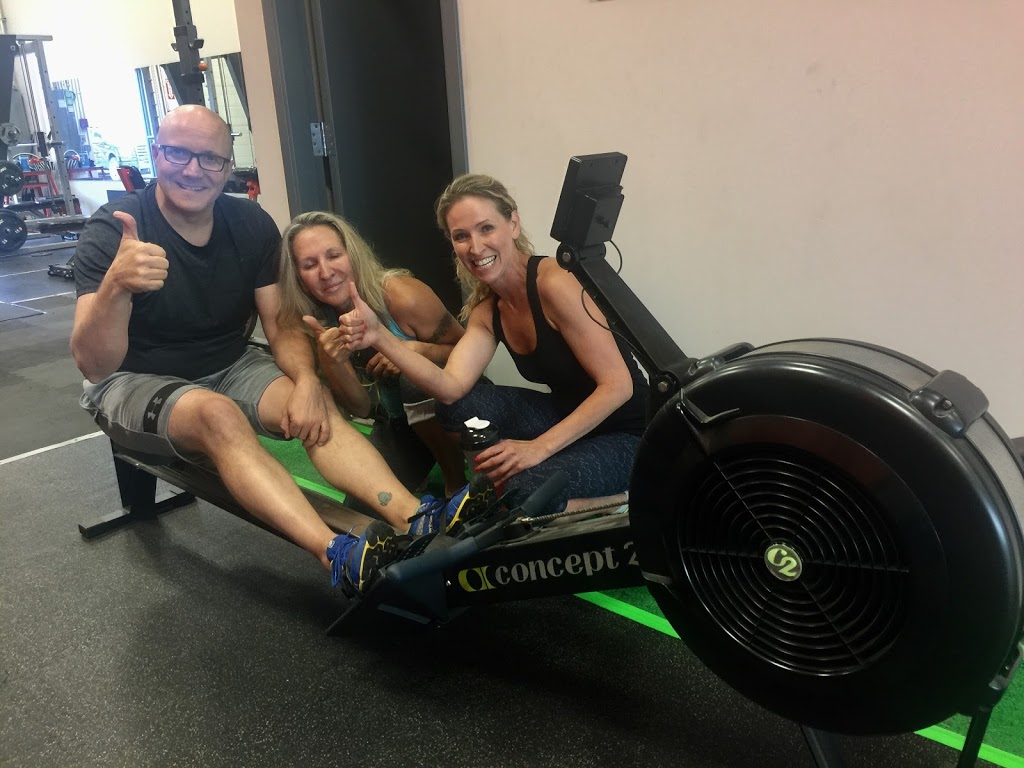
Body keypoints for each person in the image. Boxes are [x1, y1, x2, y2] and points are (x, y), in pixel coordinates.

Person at [70, 105, 488, 595]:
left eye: (210, 159)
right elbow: (94, 364)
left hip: (229, 364)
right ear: (156, 153)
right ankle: (335, 553)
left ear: (227, 166)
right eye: (178, 153)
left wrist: (308, 380)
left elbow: (280, 323)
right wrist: (115, 286)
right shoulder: (114, 230)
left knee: (311, 403)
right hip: (131, 377)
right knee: (217, 415)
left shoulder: (249, 223)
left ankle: (415, 516)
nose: (193, 170)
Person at [330, 173, 648, 514]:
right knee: (455, 408)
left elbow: (618, 386)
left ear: (513, 224)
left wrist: (538, 449)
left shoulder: (554, 283)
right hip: (567, 415)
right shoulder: (488, 310)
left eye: (486, 228)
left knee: (522, 491)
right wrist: (379, 336)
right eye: (461, 236)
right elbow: (450, 387)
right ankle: (544, 480)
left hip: (630, 434)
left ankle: (625, 497)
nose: (476, 247)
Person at [275, 210, 468, 496]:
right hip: (397, 424)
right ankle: (419, 466)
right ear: (299, 277)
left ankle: (457, 481)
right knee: (367, 503)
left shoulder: (402, 295)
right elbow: (360, 408)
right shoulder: (315, 322)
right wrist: (332, 361)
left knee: (411, 379)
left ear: (352, 255)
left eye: (333, 255)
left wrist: (412, 351)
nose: (325, 273)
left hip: (454, 406)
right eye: (309, 264)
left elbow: (467, 352)